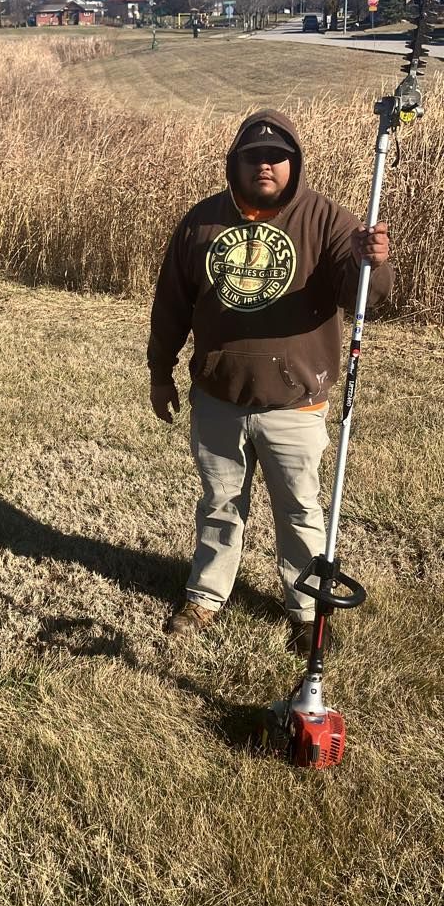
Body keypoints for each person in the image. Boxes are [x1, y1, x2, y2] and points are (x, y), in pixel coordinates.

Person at [147, 109, 392, 654]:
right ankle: (205, 597)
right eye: (253, 156)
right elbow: (171, 306)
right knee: (218, 502)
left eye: (277, 157)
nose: (265, 165)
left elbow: (362, 297)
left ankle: (305, 608)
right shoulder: (201, 222)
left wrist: (372, 264)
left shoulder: (326, 219)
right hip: (219, 396)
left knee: (300, 509)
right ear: (234, 163)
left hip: (295, 401)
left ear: (294, 163)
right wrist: (160, 374)